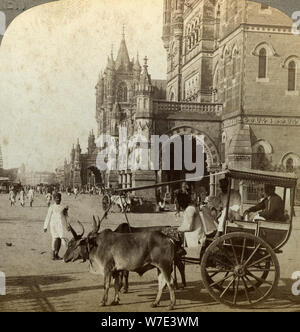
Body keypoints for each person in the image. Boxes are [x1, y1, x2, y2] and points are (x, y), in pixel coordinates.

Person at [43, 193, 70, 260]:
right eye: (56, 198)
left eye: (59, 198)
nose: (58, 199)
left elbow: (66, 217)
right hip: (53, 225)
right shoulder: (51, 207)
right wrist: (45, 226)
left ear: (61, 198)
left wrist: (68, 225)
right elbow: (48, 216)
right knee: (54, 239)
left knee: (61, 239)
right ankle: (53, 255)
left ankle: (57, 254)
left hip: (61, 225)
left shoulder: (63, 207)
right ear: (54, 199)